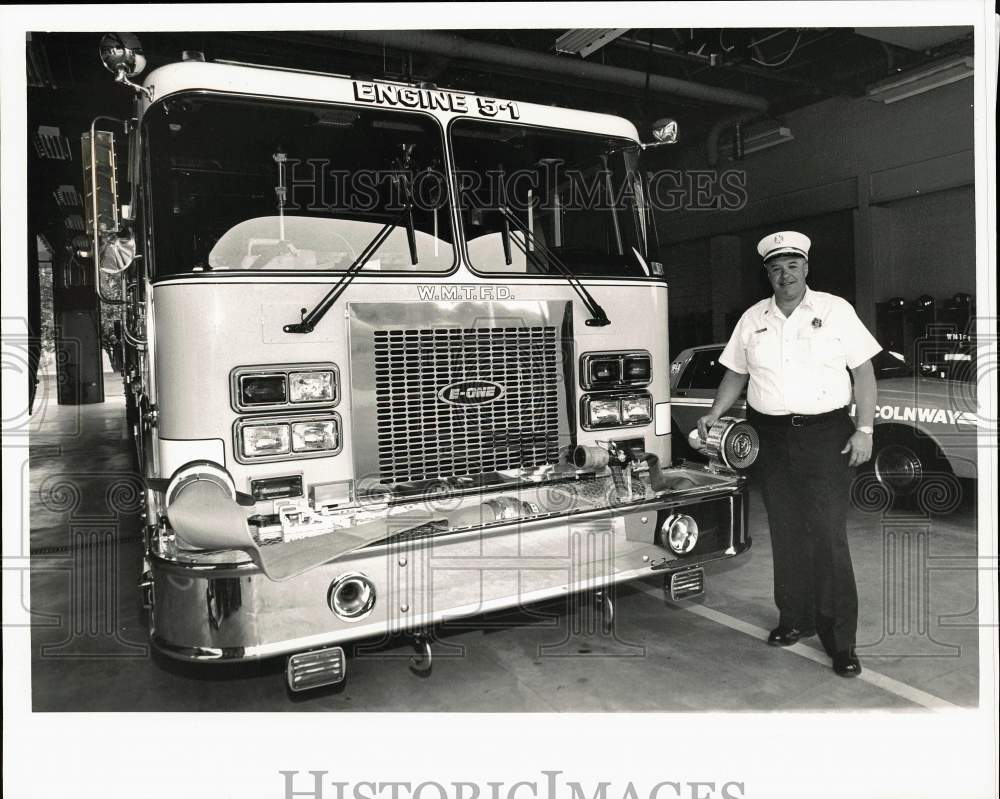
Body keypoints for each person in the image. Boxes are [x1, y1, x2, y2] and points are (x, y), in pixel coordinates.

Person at [697, 231, 880, 677]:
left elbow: (864, 373)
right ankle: (793, 619)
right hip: (770, 438)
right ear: (768, 274)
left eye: (793, 265)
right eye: (776, 268)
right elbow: (735, 375)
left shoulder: (836, 311)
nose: (785, 274)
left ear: (806, 268)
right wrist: (713, 414)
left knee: (828, 535)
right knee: (785, 531)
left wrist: (865, 429)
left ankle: (841, 641)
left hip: (825, 436)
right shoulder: (753, 318)